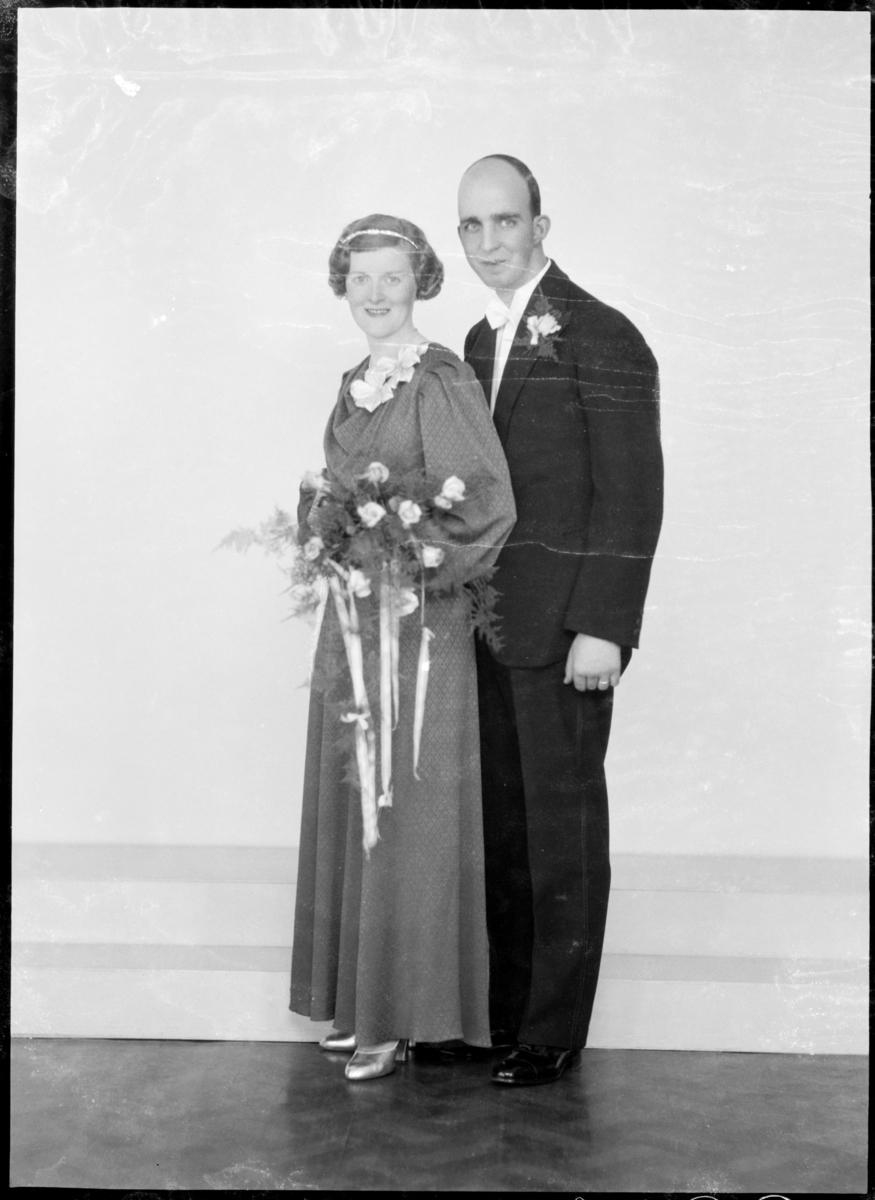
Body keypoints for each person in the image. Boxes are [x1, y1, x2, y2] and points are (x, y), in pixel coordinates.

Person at [450, 154, 664, 1086]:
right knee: (503, 832)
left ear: (540, 226)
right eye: (471, 225)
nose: (488, 240)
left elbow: (632, 493)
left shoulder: (602, 333)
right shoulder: (474, 342)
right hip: (488, 630)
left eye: (504, 221)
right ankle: (503, 1018)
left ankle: (552, 1030)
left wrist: (603, 626)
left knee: (561, 833)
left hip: (568, 635)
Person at [289, 214, 517, 1081]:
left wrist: (405, 557)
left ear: (419, 281)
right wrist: (324, 523)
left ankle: (396, 1017)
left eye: (391, 277)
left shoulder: (440, 378)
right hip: (354, 623)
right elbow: (339, 492)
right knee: (358, 797)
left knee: (407, 805)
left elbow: (486, 504)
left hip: (420, 627)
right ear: (341, 287)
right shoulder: (352, 384)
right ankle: (359, 1003)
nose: (375, 294)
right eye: (360, 279)